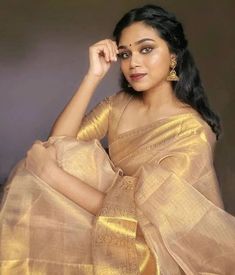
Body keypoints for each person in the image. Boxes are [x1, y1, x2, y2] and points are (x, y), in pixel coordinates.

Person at [1, 4, 235, 275]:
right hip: (108, 219)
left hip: (153, 248)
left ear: (173, 56)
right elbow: (60, 145)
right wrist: (93, 76)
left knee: (45, 172)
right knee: (51, 163)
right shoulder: (119, 105)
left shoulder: (192, 130)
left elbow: (145, 219)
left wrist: (53, 176)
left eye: (146, 49)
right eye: (125, 54)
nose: (133, 63)